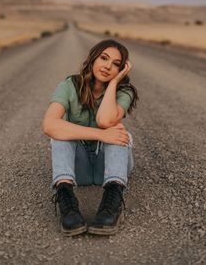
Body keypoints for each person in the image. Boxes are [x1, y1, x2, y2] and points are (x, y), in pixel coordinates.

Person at [43, 39, 138, 236]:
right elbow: (49, 124)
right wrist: (102, 135)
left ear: (121, 70)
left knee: (117, 131)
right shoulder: (70, 85)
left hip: (109, 167)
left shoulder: (124, 91)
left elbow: (104, 120)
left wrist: (113, 83)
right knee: (60, 133)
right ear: (93, 58)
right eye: (104, 58)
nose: (107, 66)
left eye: (116, 64)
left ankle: (112, 201)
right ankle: (66, 201)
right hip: (80, 170)